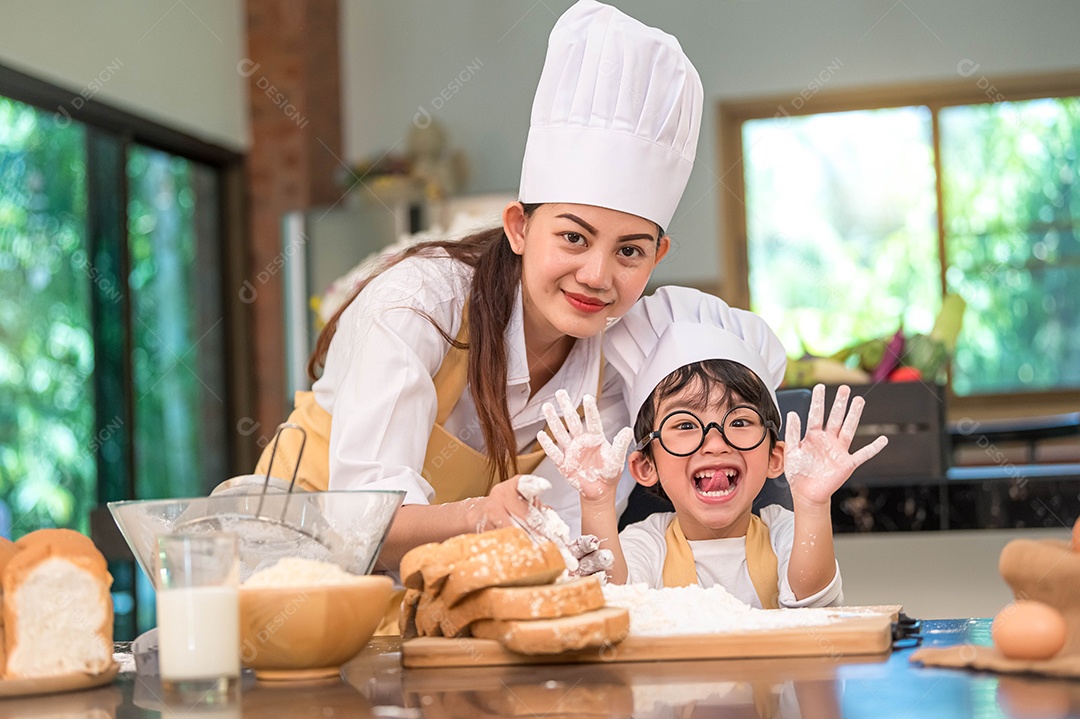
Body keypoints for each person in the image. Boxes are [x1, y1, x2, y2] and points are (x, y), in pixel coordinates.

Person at [253, 0, 704, 569]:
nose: (596, 276)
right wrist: (481, 516)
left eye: (630, 251)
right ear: (519, 227)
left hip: (439, 594)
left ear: (657, 255)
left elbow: (563, 538)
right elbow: (362, 523)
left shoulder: (613, 368)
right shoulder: (420, 305)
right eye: (573, 238)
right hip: (293, 567)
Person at [539, 287, 888, 607]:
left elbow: (815, 606)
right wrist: (597, 502)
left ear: (775, 456)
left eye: (739, 421)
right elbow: (610, 603)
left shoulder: (784, 532)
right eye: (686, 425)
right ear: (646, 466)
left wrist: (813, 504)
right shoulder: (647, 543)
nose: (715, 442)